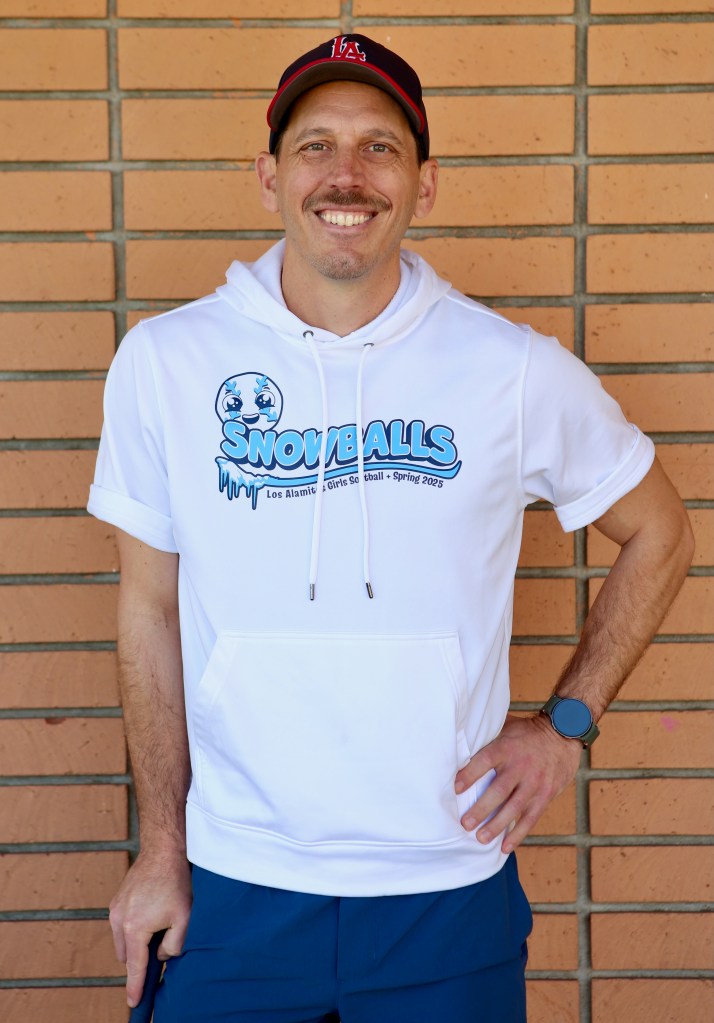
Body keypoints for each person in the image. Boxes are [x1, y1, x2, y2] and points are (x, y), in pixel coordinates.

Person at [88, 34, 693, 1023]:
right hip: (234, 884)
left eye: (380, 147)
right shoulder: (166, 362)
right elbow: (147, 609)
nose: (347, 175)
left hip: (446, 888)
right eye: (316, 145)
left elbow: (661, 531)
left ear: (424, 182)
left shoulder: (510, 369)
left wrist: (566, 726)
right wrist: (161, 849)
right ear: (269, 176)